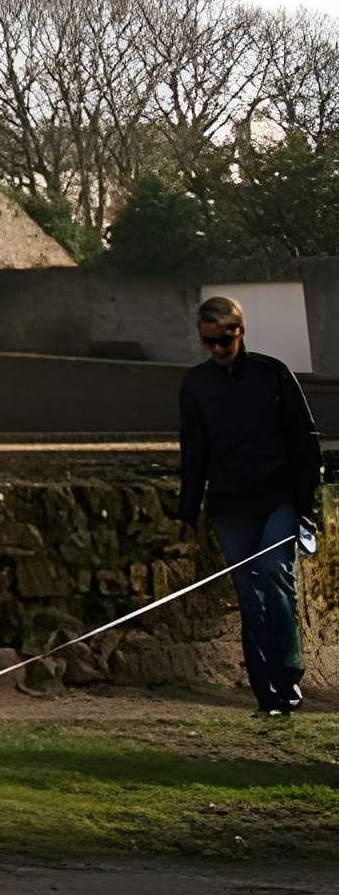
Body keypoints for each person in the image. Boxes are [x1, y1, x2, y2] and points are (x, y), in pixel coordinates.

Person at [180, 293, 323, 716]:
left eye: (222, 341)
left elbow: (305, 441)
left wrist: (307, 506)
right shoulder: (196, 384)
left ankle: (288, 676)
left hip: (278, 497)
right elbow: (193, 451)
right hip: (229, 504)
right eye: (207, 342)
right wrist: (187, 513)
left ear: (238, 332)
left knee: (274, 576)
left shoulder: (272, 374)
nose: (216, 350)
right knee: (248, 594)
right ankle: (266, 692)